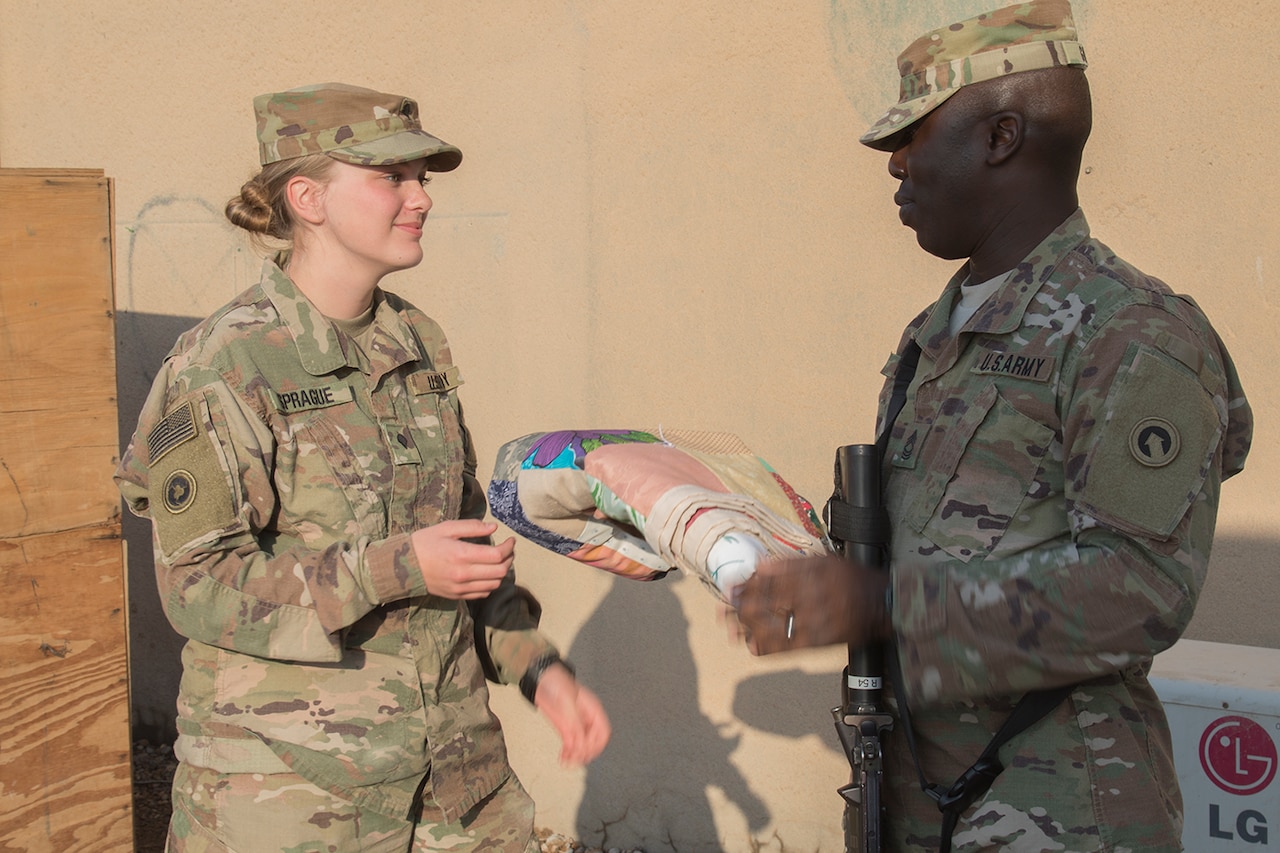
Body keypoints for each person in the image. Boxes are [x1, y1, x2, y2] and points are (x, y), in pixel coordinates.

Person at [733, 2, 1253, 851]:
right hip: (914, 794)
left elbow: (1140, 589)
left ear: (1001, 137)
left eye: (913, 136)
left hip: (1061, 805)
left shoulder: (1131, 332)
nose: (896, 165)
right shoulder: (933, 336)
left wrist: (880, 601)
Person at [116, 82, 610, 852]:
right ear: (308, 198)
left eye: (424, 179)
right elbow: (197, 584)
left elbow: (465, 546)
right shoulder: (224, 362)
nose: (421, 198)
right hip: (293, 797)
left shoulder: (415, 341)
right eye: (392, 177)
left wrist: (537, 666)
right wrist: (395, 568)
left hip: (453, 787)